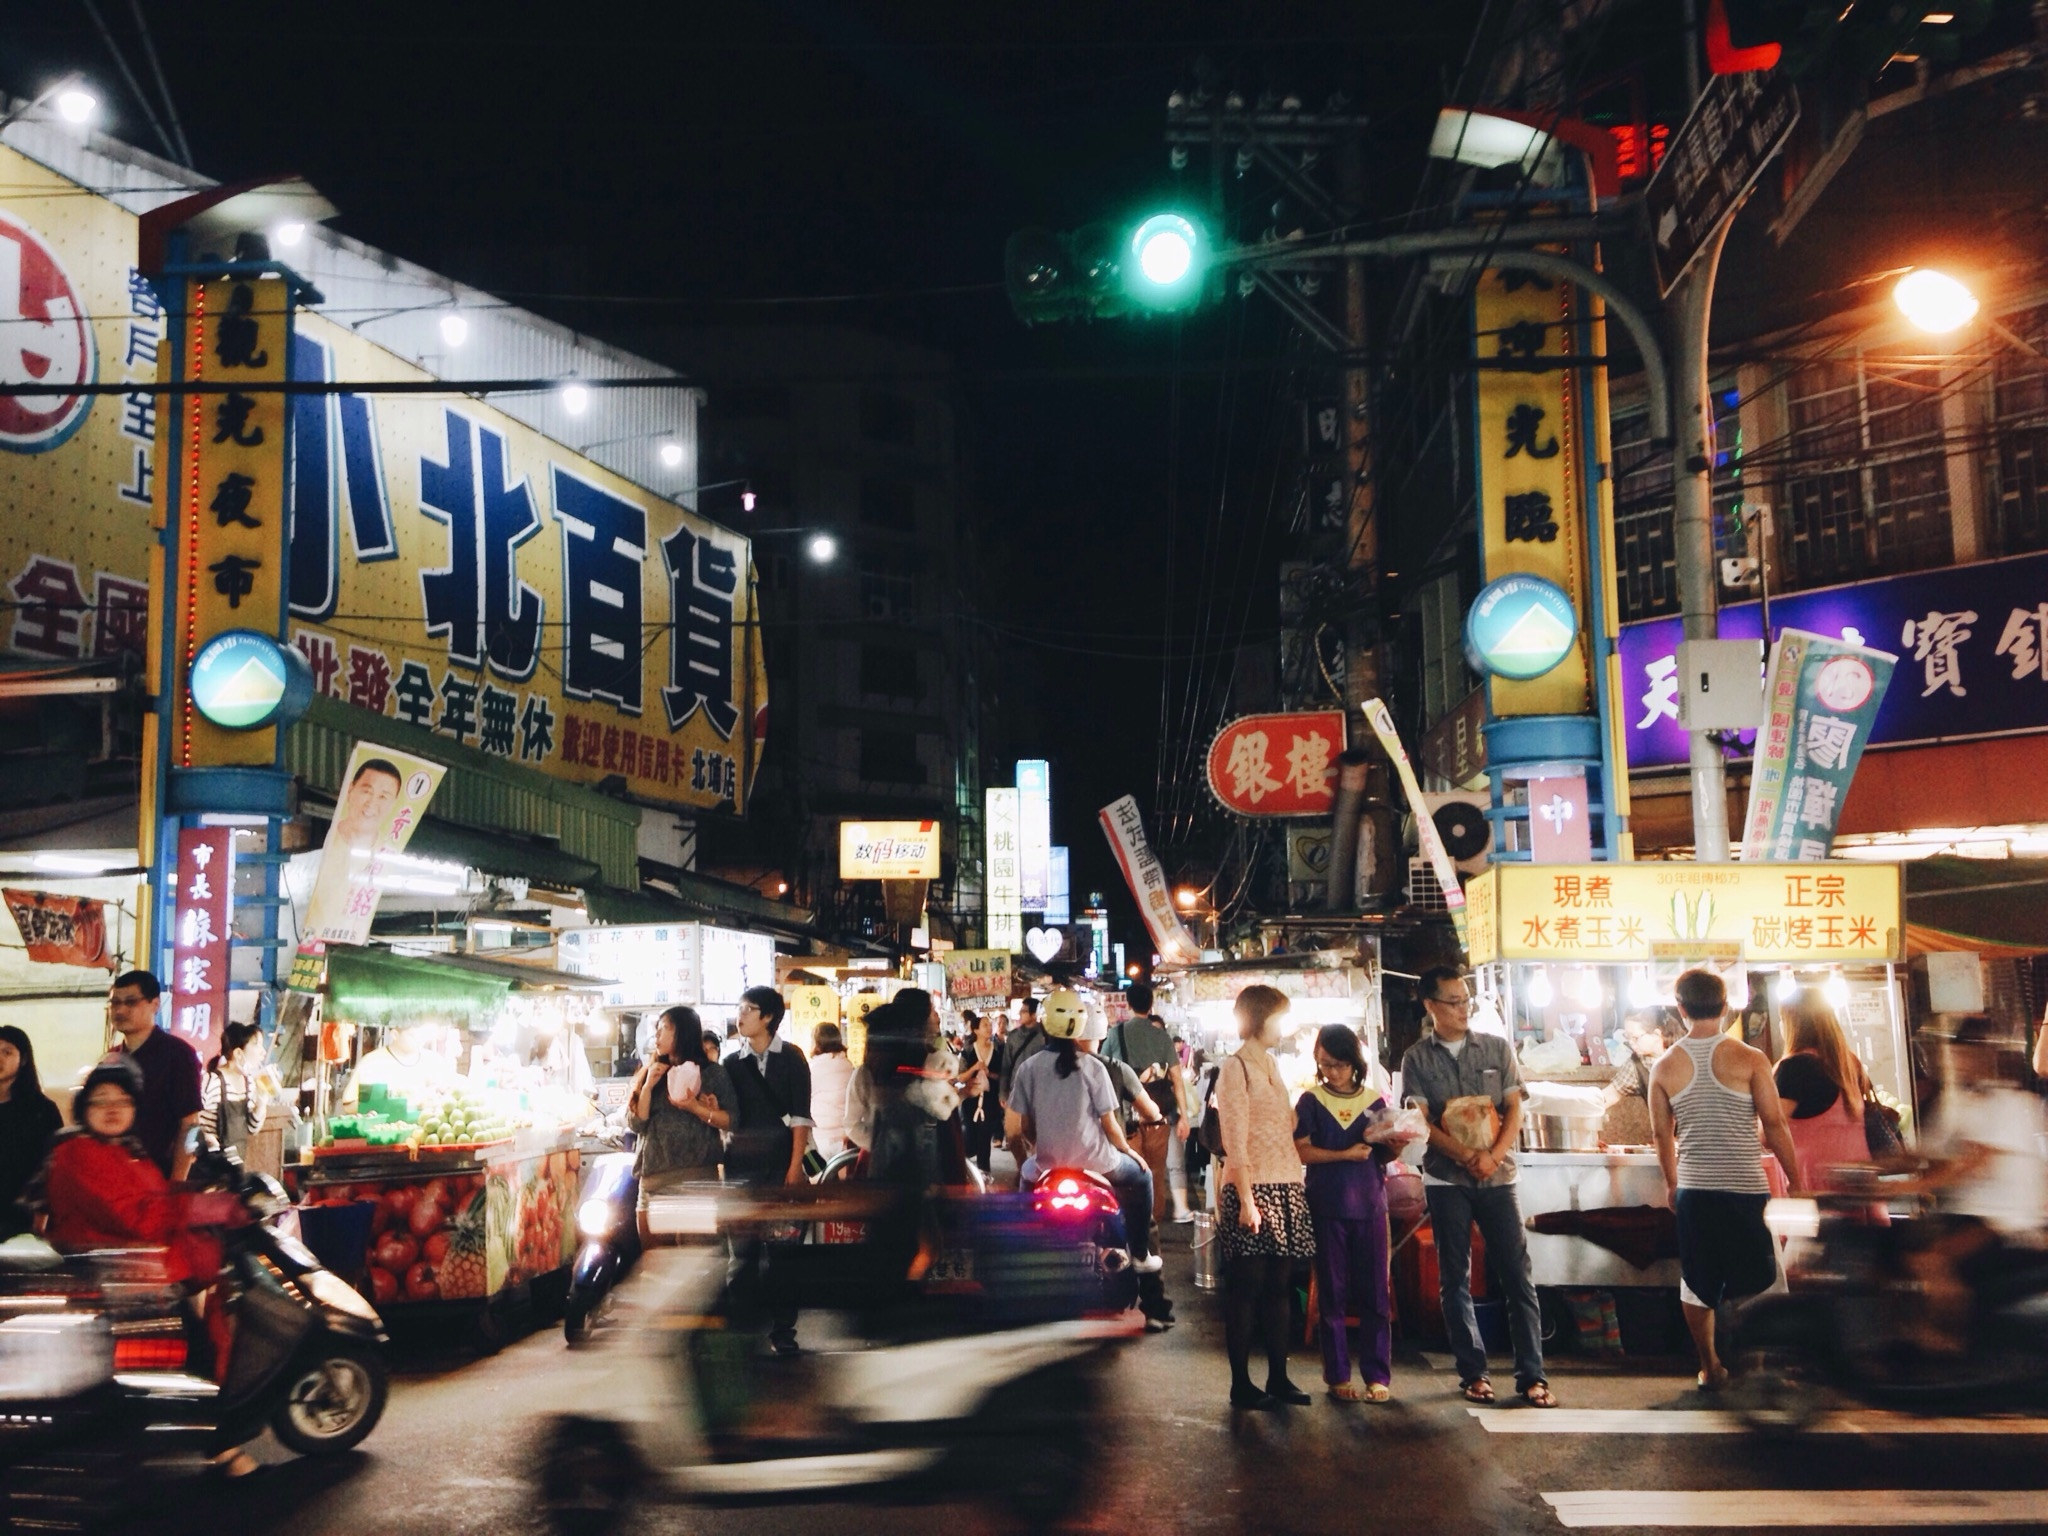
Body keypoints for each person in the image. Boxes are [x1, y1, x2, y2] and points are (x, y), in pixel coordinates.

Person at [37, 1060, 252, 1477]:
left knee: (196, 1347)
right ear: (83, 1108)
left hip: (139, 1275)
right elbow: (135, 1217)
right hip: (117, 1283)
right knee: (196, 1351)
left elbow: (159, 1198)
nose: (112, 1108)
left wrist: (204, 1194)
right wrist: (208, 1206)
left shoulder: (123, 1150)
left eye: (123, 1100)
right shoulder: (78, 1153)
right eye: (101, 1101)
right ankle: (223, 1449)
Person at [1401, 965, 1556, 1408]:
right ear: (1430, 1006)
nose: (1463, 1009)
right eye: (1452, 1001)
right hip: (1447, 1178)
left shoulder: (1496, 1047)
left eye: (1465, 1000)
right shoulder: (1417, 1058)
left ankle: (1532, 1375)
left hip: (1499, 1177)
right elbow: (1423, 1122)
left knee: (1516, 1275)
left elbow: (1514, 1110)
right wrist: (1467, 1157)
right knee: (1456, 1277)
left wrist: (1492, 1156)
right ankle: (1473, 1373)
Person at [1649, 968, 1803, 1391]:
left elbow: (1663, 1135)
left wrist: (1671, 1184)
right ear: (1727, 1005)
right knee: (1757, 1279)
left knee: (1698, 1283)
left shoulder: (1663, 1067)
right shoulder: (1752, 1059)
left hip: (1696, 1192)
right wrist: (1796, 1180)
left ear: (1679, 1008)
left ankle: (1711, 1366)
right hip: (1746, 1189)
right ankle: (1755, 1366)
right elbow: (1774, 1126)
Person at [1004, 990, 1174, 1330]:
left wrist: (1033, 1153)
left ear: (1045, 1026)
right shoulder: (1096, 1068)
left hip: (1048, 1166)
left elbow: (1014, 1130)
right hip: (1099, 1164)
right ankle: (1140, 1254)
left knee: (1023, 1195)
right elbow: (1111, 1125)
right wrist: (1130, 1152)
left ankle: (1020, 1259)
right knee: (1141, 1178)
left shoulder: (1029, 1068)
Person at [1897, 1014, 2047, 1354]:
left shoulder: (2012, 1104)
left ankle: (1950, 1344)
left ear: (1985, 1055)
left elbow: (1970, 1165)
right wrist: (1870, 1165)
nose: (1956, 1062)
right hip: (1968, 1213)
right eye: (1954, 1055)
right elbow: (1927, 1151)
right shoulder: (1959, 1103)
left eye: (1964, 1054)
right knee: (1892, 1248)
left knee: (1931, 1260)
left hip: (2004, 1220)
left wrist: (1901, 1189)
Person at [1214, 984, 1317, 1410]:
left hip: (1286, 1183)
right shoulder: (1234, 1068)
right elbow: (1235, 1141)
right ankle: (1241, 1384)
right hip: (1252, 1188)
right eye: (1280, 1018)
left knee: (1279, 1286)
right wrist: (1247, 1200)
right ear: (1260, 1019)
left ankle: (1279, 1377)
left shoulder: (1273, 1065)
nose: (1284, 1027)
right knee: (1246, 1289)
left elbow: (1285, 1125)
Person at [1295, 1025, 1398, 1403]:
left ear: (1355, 1063)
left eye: (1339, 1065)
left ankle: (1377, 1375)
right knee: (1332, 1294)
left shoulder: (1375, 1101)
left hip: (1371, 1204)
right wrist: (1344, 1155)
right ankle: (1338, 1375)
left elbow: (1386, 1154)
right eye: (1325, 1065)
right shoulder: (1309, 1102)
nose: (1332, 1072)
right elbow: (1302, 1152)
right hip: (1326, 1205)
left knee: (1375, 1294)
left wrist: (1397, 1143)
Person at [727, 986, 812, 1354]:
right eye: (739, 1007)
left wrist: (795, 1167)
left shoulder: (792, 1058)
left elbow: (799, 1118)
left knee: (782, 1251)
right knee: (741, 1252)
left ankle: (783, 1329)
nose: (740, 1015)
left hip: (780, 1169)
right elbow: (729, 1118)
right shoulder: (731, 1064)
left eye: (749, 1009)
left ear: (768, 1018)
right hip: (741, 1172)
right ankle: (741, 1327)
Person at [626, 1005, 733, 1244]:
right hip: (654, 1182)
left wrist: (698, 1107)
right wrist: (647, 1088)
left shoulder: (711, 1073)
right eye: (657, 1029)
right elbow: (635, 1123)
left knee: (694, 1261)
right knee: (656, 1262)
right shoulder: (650, 1072)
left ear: (682, 1033)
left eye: (663, 1029)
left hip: (696, 1182)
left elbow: (731, 1119)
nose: (657, 1035)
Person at [1774, 996, 1882, 1200]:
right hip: (1857, 1177)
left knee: (1829, 1231)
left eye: (1783, 1020)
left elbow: (1771, 1128)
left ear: (1792, 1025)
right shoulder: (1849, 1061)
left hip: (1816, 1180)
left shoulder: (1795, 1067)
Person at [1104, 983, 1192, 1226]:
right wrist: (1183, 1116)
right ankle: (1152, 1223)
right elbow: (1177, 1079)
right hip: (1158, 1116)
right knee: (1156, 1171)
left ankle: (1132, 1223)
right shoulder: (1162, 1036)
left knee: (1130, 1170)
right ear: (1150, 1004)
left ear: (1128, 1004)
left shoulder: (1115, 1034)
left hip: (1126, 1117)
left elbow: (1102, 1071)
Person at [106, 969, 203, 1179]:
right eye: (115, 1003)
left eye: (131, 1002)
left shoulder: (177, 1054)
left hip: (159, 1177)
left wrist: (178, 1180)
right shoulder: (111, 1059)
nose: (120, 1010)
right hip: (116, 1178)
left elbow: (191, 1125)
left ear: (155, 1004)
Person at [0, 1025, 60, 1239]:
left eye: (7, 1052)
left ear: (23, 1059)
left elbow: (53, 1165)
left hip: (23, 1219)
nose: (0, 1058)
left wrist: (43, 1210)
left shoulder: (42, 1110)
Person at [200, 1020, 268, 1158]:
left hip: (236, 1164)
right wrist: (206, 1138)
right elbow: (190, 1124)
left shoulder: (249, 1082)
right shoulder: (211, 1081)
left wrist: (261, 1102)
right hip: (207, 1166)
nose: (263, 1052)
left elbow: (251, 1128)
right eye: (256, 1045)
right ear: (238, 1053)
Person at [960, 1010, 1005, 1175]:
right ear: (976, 1030)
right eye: (985, 1025)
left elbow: (1003, 1074)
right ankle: (964, 1170)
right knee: (971, 1140)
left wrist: (990, 1074)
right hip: (970, 1103)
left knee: (985, 1141)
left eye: (989, 1024)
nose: (989, 1027)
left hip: (991, 1102)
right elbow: (961, 1076)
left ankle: (984, 1175)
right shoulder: (968, 1050)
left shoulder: (999, 1049)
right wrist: (975, 1068)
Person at [808, 1023, 855, 1162]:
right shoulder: (849, 1066)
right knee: (842, 1181)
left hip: (818, 1138)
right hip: (844, 1138)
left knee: (817, 1179)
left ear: (816, 1042)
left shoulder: (811, 1068)